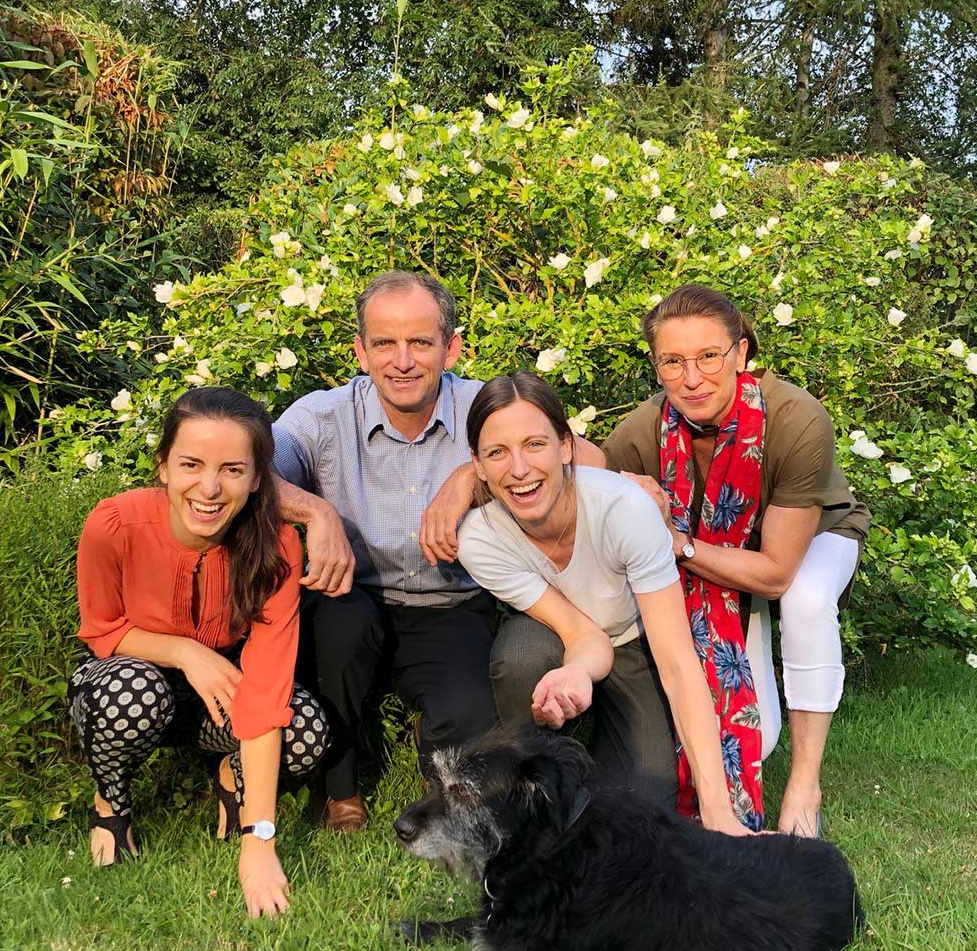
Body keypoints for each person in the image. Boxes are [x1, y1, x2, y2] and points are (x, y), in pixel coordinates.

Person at [601, 283, 870, 837]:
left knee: (807, 599)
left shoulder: (796, 418)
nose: (691, 378)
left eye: (708, 357)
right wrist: (468, 478)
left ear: (741, 354)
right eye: (672, 362)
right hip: (715, 568)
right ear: (656, 366)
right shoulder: (639, 433)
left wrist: (677, 543)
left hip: (810, 539)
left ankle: (803, 788)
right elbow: (567, 466)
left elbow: (775, 573)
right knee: (757, 733)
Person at [69, 387, 331, 918]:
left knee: (306, 732)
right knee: (129, 693)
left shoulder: (278, 547)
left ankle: (234, 779)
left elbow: (265, 689)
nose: (209, 488)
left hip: (219, 700)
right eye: (191, 464)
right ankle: (111, 803)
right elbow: (101, 631)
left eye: (232, 470)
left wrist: (260, 840)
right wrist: (186, 651)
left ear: (259, 478)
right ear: (163, 466)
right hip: (128, 683)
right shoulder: (114, 525)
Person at [457, 372, 755, 836]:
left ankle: (594, 750)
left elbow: (677, 662)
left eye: (535, 444)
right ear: (477, 464)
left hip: (636, 641)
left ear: (565, 447)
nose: (518, 469)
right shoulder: (480, 538)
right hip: (560, 637)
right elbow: (580, 634)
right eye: (497, 452)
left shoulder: (624, 511)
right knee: (521, 659)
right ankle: (528, 791)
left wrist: (718, 812)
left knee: (642, 804)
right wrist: (573, 673)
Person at [270, 271, 498, 829]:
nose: (402, 360)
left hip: (451, 601)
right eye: (384, 344)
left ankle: (433, 747)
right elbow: (249, 469)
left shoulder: (484, 407)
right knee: (338, 627)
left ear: (452, 347)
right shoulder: (322, 415)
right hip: (355, 599)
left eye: (420, 342)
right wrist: (315, 511)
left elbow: (570, 455)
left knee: (469, 718)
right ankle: (339, 785)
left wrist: (472, 474)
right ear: (360, 350)